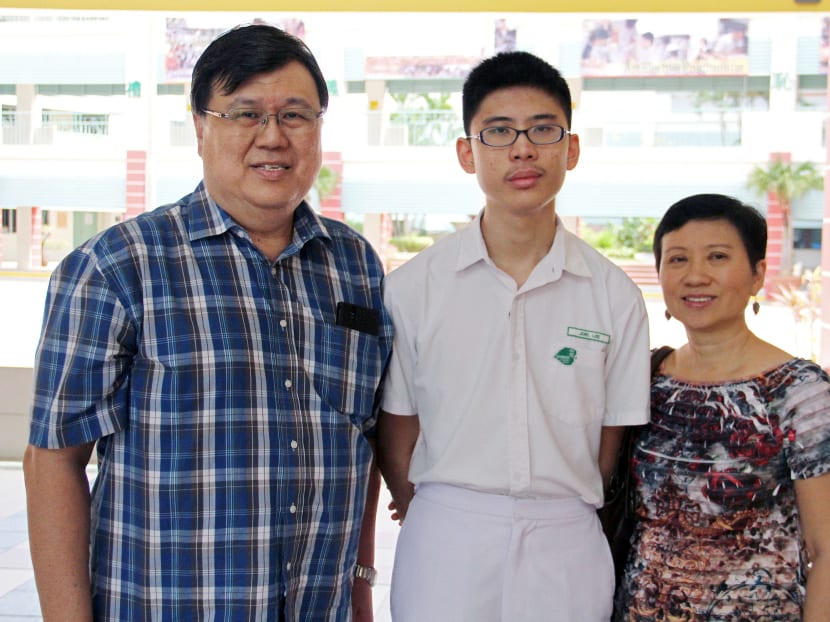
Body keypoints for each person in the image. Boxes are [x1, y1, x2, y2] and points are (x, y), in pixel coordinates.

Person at [24, 24, 392, 621]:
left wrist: (361, 590)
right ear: (200, 126)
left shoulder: (356, 268)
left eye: (295, 115)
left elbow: (364, 446)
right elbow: (54, 460)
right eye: (246, 114)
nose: (273, 138)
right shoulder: (117, 267)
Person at [376, 50, 650, 622]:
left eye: (543, 129)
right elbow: (398, 432)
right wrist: (429, 508)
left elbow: (608, 445)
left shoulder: (613, 294)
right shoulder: (413, 288)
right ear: (466, 152)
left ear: (571, 149)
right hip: (446, 539)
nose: (522, 149)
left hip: (567, 537)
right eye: (498, 132)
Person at [615, 194, 830, 621]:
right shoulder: (644, 378)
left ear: (757, 275)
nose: (695, 276)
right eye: (677, 260)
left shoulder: (799, 392)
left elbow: (825, 547)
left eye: (717, 257)